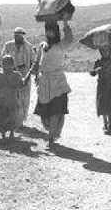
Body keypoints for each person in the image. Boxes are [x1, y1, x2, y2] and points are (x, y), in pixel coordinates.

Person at [33, 15, 73, 148]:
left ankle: (51, 137)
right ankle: (51, 131)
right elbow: (36, 62)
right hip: (44, 82)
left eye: (52, 30)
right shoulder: (42, 45)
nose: (49, 33)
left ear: (56, 31)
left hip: (58, 83)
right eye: (47, 30)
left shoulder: (61, 45)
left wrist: (66, 23)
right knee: (44, 114)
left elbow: (69, 38)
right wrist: (33, 74)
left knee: (56, 110)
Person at [1, 27, 35, 129]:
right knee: (12, 98)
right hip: (10, 75)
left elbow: (33, 62)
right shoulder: (8, 45)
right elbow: (2, 58)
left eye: (19, 35)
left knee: (24, 98)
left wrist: (31, 73)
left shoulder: (29, 47)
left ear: (23, 35)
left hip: (25, 75)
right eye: (16, 35)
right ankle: (11, 120)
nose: (17, 36)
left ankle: (21, 121)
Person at [0, 55, 30, 141]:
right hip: (3, 102)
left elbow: (21, 85)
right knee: (2, 118)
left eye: (8, 64)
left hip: (12, 101)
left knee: (12, 118)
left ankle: (11, 133)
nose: (6, 66)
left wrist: (29, 75)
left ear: (12, 65)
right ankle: (4, 134)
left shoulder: (16, 75)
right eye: (4, 64)